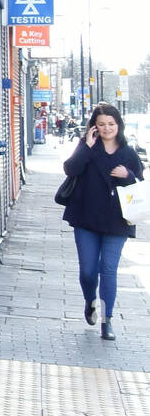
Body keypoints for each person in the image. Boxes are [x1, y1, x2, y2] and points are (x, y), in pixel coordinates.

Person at [61, 103, 144, 340]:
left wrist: (127, 175)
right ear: (94, 127)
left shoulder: (128, 153)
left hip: (117, 221)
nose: (107, 128)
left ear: (118, 125)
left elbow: (139, 183)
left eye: (111, 124)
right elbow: (71, 169)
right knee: (88, 271)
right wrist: (86, 146)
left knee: (108, 269)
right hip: (86, 217)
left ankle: (107, 321)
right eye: (101, 124)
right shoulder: (88, 147)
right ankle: (90, 301)